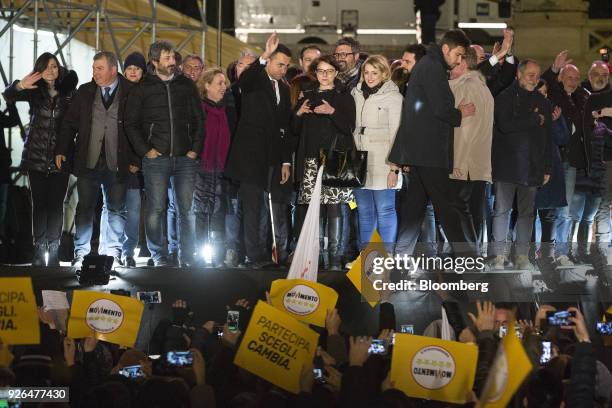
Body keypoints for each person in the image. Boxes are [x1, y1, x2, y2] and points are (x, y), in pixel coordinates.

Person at [389, 29, 476, 259]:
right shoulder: (433, 67)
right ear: (446, 48)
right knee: (446, 206)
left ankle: (401, 257)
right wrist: (460, 113)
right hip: (430, 152)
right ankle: (466, 258)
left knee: (415, 208)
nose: (459, 60)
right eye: (458, 55)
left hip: (420, 151)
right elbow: (440, 108)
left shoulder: (428, 64)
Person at [124, 41, 204, 267]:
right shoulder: (142, 87)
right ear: (155, 62)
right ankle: (160, 255)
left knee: (187, 211)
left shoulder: (186, 86)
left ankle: (188, 256)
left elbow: (199, 119)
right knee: (156, 209)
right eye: (167, 58)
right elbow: (130, 124)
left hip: (185, 159)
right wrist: (145, 150)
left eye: (173, 58)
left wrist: (194, 149)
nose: (172, 62)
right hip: (156, 159)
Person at [55, 51, 136, 268]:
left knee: (117, 209)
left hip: (117, 162)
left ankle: (113, 253)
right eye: (93, 68)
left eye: (99, 68)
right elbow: (69, 123)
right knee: (84, 209)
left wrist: (136, 158)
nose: (95, 72)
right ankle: (81, 253)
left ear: (112, 69)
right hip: (88, 161)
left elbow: (140, 126)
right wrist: (62, 149)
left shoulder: (130, 91)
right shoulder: (85, 91)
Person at [224, 33, 294, 268]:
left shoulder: (284, 89)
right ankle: (253, 255)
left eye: (286, 66)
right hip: (250, 157)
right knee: (252, 208)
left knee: (270, 208)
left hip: (274, 159)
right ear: (269, 62)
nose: (283, 69)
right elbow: (244, 81)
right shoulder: (254, 81)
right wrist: (263, 55)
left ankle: (267, 253)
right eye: (279, 64)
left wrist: (286, 161)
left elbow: (285, 126)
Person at [2, 53, 77, 266]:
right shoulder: (35, 92)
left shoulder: (68, 92)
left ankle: (53, 250)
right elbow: (8, 96)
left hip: (61, 158)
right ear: (39, 71)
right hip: (36, 157)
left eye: (54, 66)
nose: (51, 70)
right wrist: (19, 86)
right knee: (40, 205)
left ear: (58, 68)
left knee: (56, 205)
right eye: (46, 67)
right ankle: (39, 249)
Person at [292, 55, 356, 271]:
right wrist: (299, 113)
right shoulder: (307, 95)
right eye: (321, 71)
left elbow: (349, 127)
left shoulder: (344, 95)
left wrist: (332, 112)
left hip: (336, 158)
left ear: (336, 73)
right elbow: (293, 130)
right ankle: (315, 256)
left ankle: (335, 258)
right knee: (313, 210)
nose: (325, 75)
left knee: (335, 209)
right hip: (310, 158)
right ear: (315, 73)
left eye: (329, 71)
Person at [490, 59, 553, 270]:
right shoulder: (505, 97)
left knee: (527, 213)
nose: (534, 80)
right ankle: (498, 257)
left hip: (532, 167)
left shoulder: (542, 101)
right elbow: (506, 125)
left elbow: (548, 137)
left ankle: (522, 257)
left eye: (537, 75)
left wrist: (547, 167)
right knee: (501, 211)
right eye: (530, 75)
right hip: (506, 166)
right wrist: (534, 119)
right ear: (518, 74)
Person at [98, 51, 147, 267]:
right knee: (111, 208)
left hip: (135, 165)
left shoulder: (146, 95)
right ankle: (108, 249)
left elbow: (145, 132)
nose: (133, 71)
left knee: (133, 211)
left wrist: (138, 160)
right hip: (112, 163)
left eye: (137, 68)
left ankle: (128, 251)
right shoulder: (113, 92)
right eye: (129, 68)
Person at [542, 50, 591, 264]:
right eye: (568, 77)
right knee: (544, 208)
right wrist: (554, 68)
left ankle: (561, 252)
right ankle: (542, 251)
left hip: (571, 162)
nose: (573, 81)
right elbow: (545, 83)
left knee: (565, 208)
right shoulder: (554, 93)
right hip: (551, 159)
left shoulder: (583, 97)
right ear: (561, 78)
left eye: (576, 78)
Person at [350, 55, 402, 252]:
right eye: (366, 72)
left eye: (375, 72)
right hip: (359, 160)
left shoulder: (394, 97)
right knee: (364, 211)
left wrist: (394, 168)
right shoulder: (355, 93)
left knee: (385, 210)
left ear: (384, 73)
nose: (370, 77)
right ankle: (367, 256)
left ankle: (386, 256)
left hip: (384, 160)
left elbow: (397, 132)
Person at [448, 46, 494, 249]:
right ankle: (473, 255)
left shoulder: (463, 86)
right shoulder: (483, 87)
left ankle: (467, 258)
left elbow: (450, 119)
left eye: (455, 61)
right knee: (474, 210)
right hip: (478, 162)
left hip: (463, 160)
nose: (450, 67)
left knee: (459, 210)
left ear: (464, 62)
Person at [193, 68, 237, 265]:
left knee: (219, 212)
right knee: (201, 212)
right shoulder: (199, 109)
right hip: (201, 169)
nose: (224, 87)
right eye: (219, 83)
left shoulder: (228, 110)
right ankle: (200, 254)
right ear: (207, 85)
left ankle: (218, 256)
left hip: (222, 171)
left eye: (225, 83)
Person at [533, 79, 569, 261]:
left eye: (545, 92)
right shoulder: (524, 109)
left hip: (552, 168)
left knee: (549, 216)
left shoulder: (553, 110)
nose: (542, 95)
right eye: (539, 91)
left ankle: (548, 255)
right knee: (528, 215)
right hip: (529, 169)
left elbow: (563, 138)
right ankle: (528, 255)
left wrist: (554, 122)